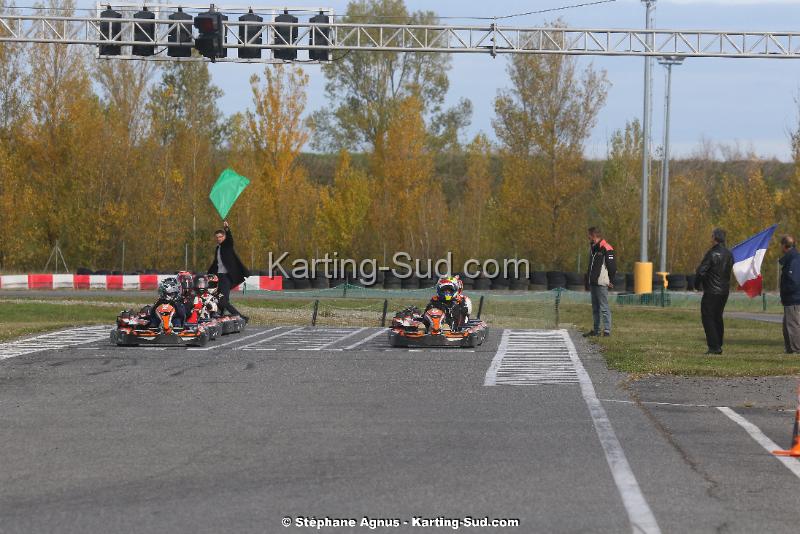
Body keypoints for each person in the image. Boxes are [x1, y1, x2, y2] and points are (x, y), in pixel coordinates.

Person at [695, 228, 734, 355]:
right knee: (718, 317)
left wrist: (697, 284)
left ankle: (714, 346)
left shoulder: (711, 253)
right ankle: (718, 343)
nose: (711, 238)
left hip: (712, 291)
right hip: (724, 291)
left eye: (712, 236)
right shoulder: (729, 254)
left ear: (715, 238)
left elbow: (701, 271)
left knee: (708, 317)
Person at [208, 220, 250, 323]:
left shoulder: (227, 246)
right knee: (220, 299)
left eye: (220, 237)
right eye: (217, 237)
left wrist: (227, 228)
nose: (218, 239)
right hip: (219, 277)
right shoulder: (218, 248)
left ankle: (241, 317)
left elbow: (230, 240)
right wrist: (208, 274)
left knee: (223, 301)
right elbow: (215, 263)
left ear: (224, 237)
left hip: (227, 277)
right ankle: (219, 316)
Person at [584, 227, 617, 337]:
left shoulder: (606, 248)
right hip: (593, 282)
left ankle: (607, 330)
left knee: (604, 307)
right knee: (595, 308)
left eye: (589, 235)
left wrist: (611, 280)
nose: (588, 237)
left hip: (602, 282)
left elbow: (612, 267)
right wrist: (587, 280)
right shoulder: (593, 248)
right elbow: (591, 266)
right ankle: (596, 330)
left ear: (594, 235)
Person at [779, 235, 800, 354]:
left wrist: (786, 291)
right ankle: (789, 349)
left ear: (784, 245)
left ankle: (796, 349)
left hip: (794, 298)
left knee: (793, 325)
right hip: (790, 298)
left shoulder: (794, 259)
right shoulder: (792, 258)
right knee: (787, 326)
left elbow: (794, 280)